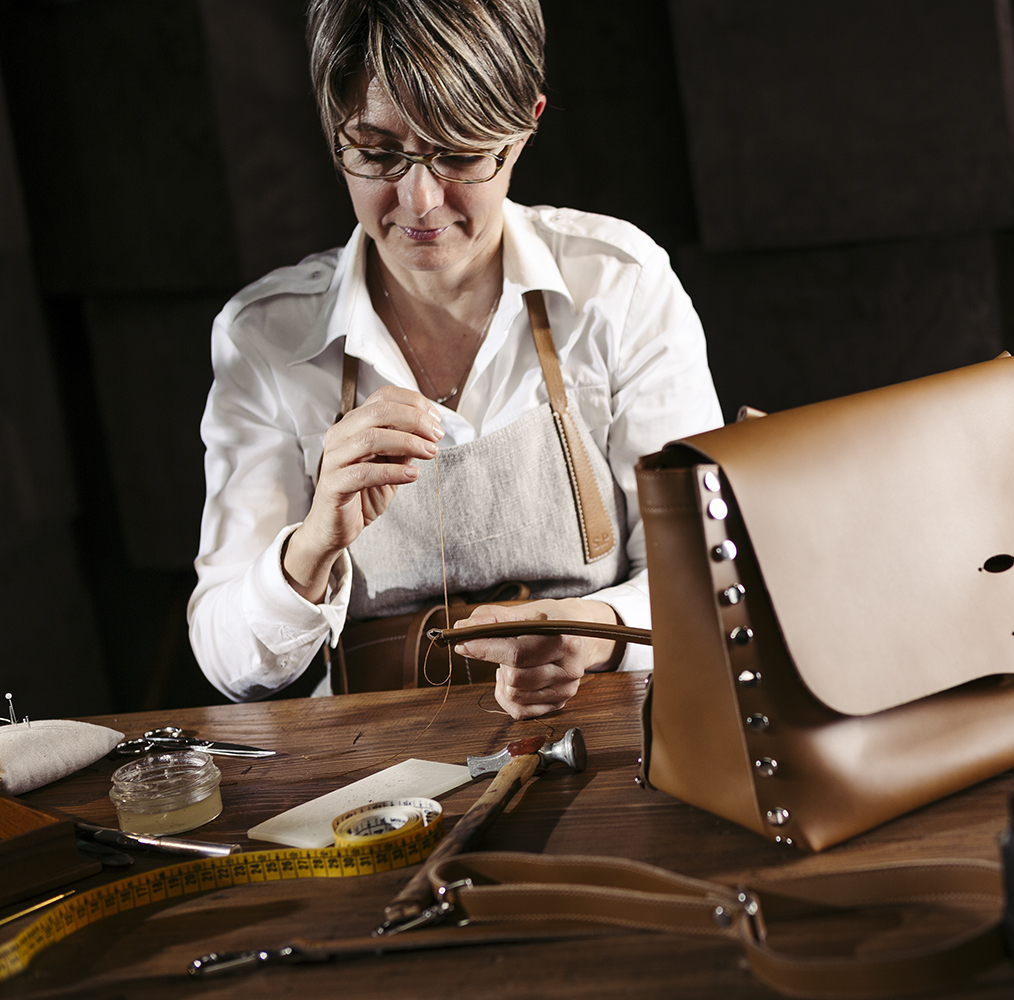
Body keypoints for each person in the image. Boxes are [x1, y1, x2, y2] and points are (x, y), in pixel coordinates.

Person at [188, 0, 721, 717]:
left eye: (461, 153)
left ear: (526, 124)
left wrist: (590, 636)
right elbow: (230, 666)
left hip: (612, 731)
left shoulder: (620, 284)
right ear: (331, 132)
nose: (420, 202)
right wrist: (311, 544)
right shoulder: (265, 338)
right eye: (377, 154)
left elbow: (705, 578)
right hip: (371, 763)